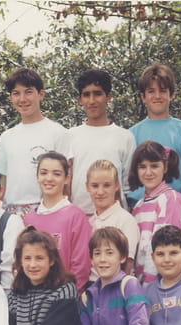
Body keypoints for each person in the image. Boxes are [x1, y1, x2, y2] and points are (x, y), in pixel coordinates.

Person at [0, 68, 71, 216]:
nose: (22, 99)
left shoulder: (58, 132)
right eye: (16, 93)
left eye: (28, 92)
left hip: (47, 210)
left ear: (41, 94)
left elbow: (67, 180)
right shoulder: (7, 137)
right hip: (11, 212)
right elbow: (4, 180)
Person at [128, 63, 181, 207]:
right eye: (151, 91)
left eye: (162, 91)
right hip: (140, 209)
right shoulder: (131, 134)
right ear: (143, 97)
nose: (157, 96)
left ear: (171, 94)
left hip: (179, 208)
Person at [67, 69, 136, 215]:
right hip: (79, 216)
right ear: (80, 100)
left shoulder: (125, 137)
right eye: (86, 95)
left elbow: (128, 186)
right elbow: (66, 181)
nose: (92, 101)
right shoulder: (70, 136)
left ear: (108, 97)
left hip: (115, 217)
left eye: (97, 94)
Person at [23, 151, 92, 291]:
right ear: (37, 177)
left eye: (56, 174)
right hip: (33, 297)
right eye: (44, 173)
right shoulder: (28, 219)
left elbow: (81, 266)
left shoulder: (76, 217)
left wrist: (68, 295)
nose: (49, 178)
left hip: (65, 297)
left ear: (67, 178)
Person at [130, 141, 181, 285]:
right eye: (142, 167)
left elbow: (166, 250)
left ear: (165, 167)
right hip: (142, 285)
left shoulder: (171, 200)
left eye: (154, 166)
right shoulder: (139, 206)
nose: (148, 172)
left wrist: (150, 287)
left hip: (165, 285)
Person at [85, 159, 140, 279]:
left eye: (106, 185)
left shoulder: (125, 220)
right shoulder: (89, 222)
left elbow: (127, 265)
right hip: (92, 286)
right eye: (95, 186)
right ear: (87, 186)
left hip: (117, 286)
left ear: (116, 186)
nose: (100, 192)